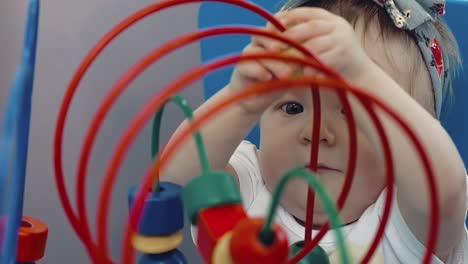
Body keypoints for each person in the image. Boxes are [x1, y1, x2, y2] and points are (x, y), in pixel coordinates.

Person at [162, 0, 468, 262]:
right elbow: (175, 184)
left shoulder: (406, 224)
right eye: (293, 108)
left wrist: (362, 74)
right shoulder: (247, 186)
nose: (317, 131)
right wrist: (241, 99)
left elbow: (446, 190)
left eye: (355, 111)